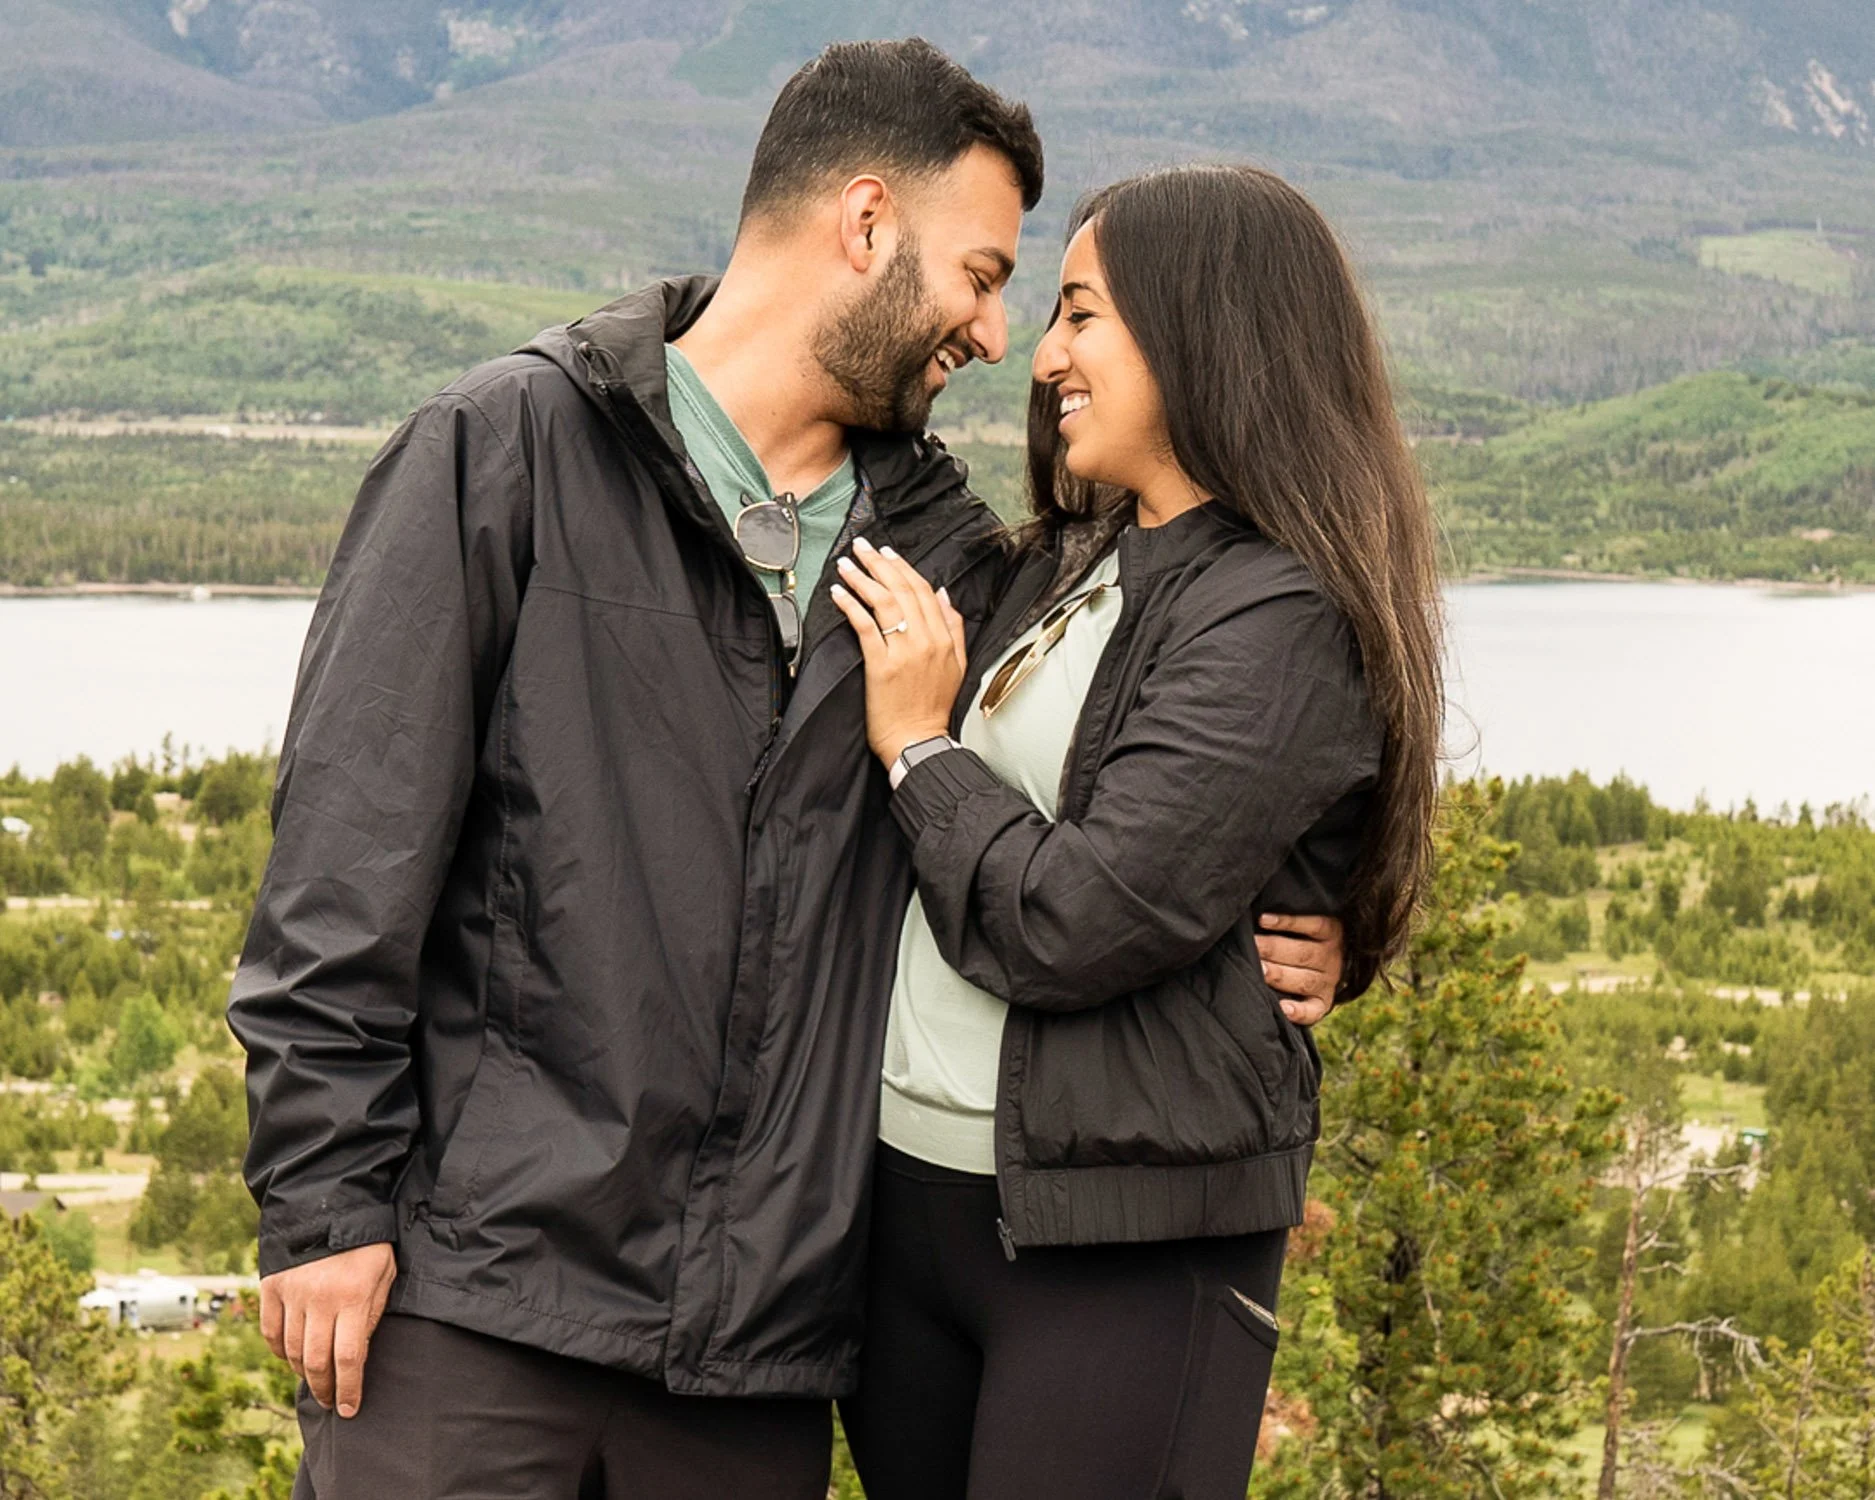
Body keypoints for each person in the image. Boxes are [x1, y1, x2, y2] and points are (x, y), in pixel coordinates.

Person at [230, 38, 1345, 1496]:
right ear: (866, 225)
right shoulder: (503, 454)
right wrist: (323, 1209)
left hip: (755, 1363)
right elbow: (342, 867)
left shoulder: (946, 558)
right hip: (477, 1309)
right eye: (982, 274)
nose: (996, 337)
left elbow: (1142, 789)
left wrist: (1329, 922)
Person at [829, 162, 1444, 1500]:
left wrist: (920, 747)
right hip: (908, 1207)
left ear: (1203, 330)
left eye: (1081, 314)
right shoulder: (1060, 559)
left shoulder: (1277, 617)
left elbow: (1075, 919)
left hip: (1121, 1247)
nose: (1042, 355)